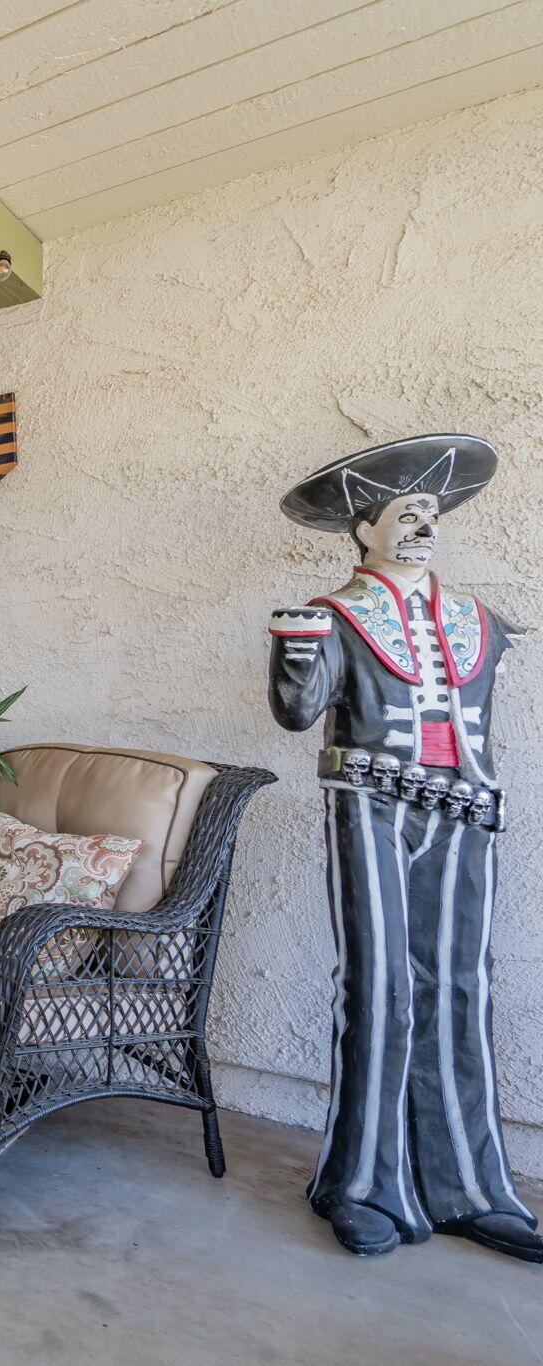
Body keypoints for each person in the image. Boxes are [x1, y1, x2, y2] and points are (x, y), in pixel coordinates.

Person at [268, 434, 539, 1261]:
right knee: (380, 985)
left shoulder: (479, 622)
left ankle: (470, 1187)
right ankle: (361, 1185)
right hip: (372, 807)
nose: (420, 524)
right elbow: (295, 712)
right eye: (403, 512)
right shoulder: (334, 614)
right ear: (364, 530)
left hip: (466, 811)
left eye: (428, 512)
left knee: (463, 987)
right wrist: (295, 646)